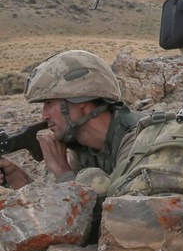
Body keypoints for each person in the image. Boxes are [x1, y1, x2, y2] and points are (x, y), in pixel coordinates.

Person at [0, 51, 142, 189]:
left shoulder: (140, 141)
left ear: (81, 100)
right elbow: (62, 201)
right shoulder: (83, 146)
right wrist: (15, 176)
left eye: (49, 103)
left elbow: (123, 203)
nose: (44, 116)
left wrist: (61, 170)